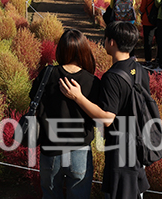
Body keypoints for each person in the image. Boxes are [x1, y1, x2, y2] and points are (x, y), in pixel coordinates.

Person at [59, 22, 151, 199]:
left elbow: (108, 118)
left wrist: (77, 96)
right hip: (139, 141)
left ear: (111, 42)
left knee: (120, 193)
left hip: (121, 147)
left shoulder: (112, 77)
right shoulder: (139, 69)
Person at [31, 29, 100, 199]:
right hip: (80, 150)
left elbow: (34, 104)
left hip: (51, 149)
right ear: (84, 51)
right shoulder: (92, 81)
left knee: (50, 195)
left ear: (60, 50)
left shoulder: (47, 75)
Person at [138, 0, 162, 67]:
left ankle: (148, 61)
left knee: (148, 42)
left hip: (147, 21)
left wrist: (140, 12)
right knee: (160, 41)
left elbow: (142, 9)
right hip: (159, 20)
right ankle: (159, 59)